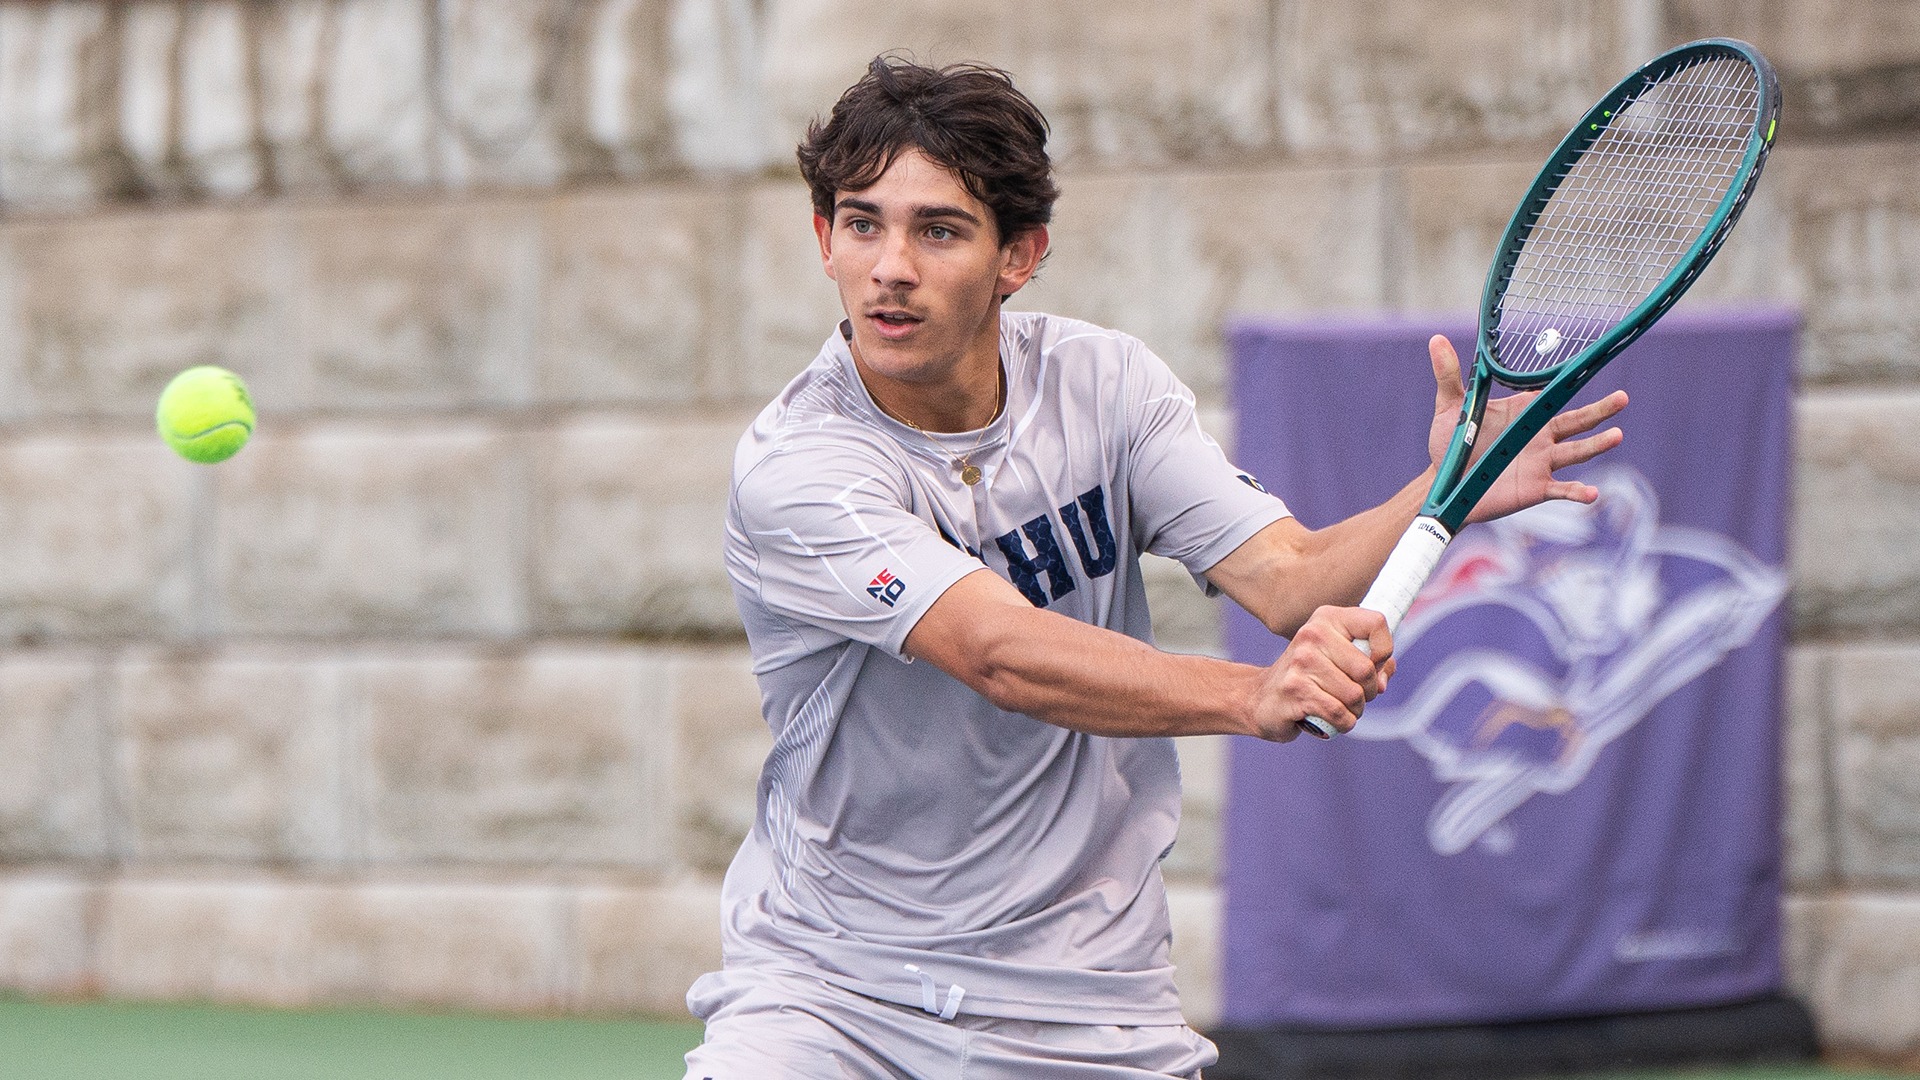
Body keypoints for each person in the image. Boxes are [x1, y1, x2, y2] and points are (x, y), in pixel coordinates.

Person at [685, 55, 1627, 1079]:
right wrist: (1253, 695)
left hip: (1083, 995)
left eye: (939, 230)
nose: (891, 267)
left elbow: (1290, 577)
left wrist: (1442, 486)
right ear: (824, 239)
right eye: (862, 224)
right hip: (831, 992)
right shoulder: (799, 469)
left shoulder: (1107, 387)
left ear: (1020, 255)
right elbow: (998, 651)